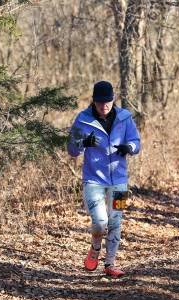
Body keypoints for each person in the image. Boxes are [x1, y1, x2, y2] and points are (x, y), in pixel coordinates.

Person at [67, 80, 141, 278]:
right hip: (93, 181)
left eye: (107, 101)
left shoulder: (125, 117)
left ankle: (110, 264)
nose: (104, 106)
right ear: (94, 101)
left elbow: (136, 142)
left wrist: (129, 148)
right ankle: (95, 247)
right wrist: (83, 142)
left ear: (113, 99)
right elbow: (72, 149)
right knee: (100, 222)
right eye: (100, 102)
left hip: (119, 180)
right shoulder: (83, 119)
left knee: (116, 220)